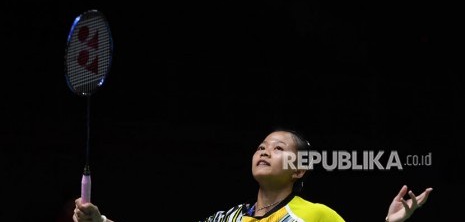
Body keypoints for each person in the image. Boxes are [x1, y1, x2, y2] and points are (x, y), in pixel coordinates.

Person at [72, 128, 433, 222]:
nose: (264, 151)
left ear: (299, 169)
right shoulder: (225, 218)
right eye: (261, 146)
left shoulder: (315, 215)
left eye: (278, 149)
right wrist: (100, 219)